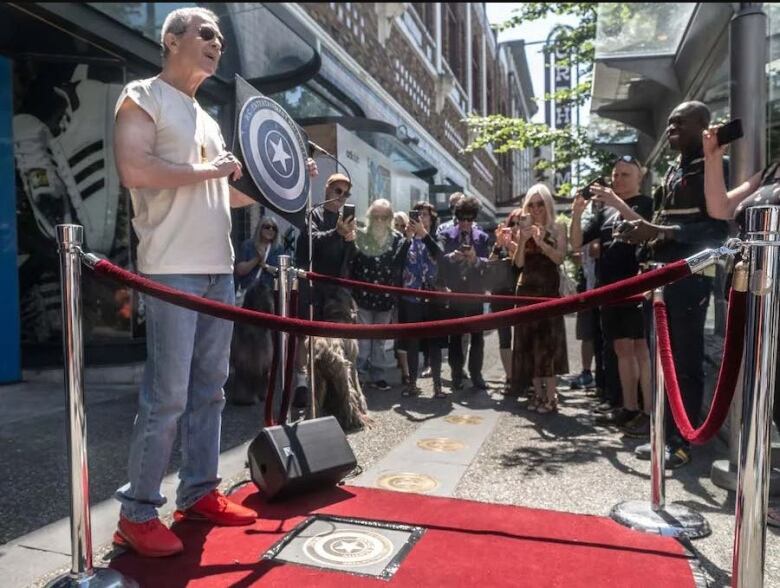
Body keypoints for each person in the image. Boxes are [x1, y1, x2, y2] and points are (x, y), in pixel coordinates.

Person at [112, 7, 318, 557]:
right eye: (206, 33)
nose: (217, 43)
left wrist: (289, 177)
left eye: (221, 37)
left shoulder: (206, 117)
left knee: (211, 391)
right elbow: (135, 169)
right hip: (170, 270)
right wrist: (209, 171)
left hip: (218, 270)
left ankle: (199, 492)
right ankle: (135, 514)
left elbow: (220, 195)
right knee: (168, 398)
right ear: (170, 39)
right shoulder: (142, 94)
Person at [618, 101, 729, 468]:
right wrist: (643, 237)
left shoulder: (714, 169)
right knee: (661, 360)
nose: (670, 129)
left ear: (703, 125)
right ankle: (663, 434)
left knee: (684, 362)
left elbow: (717, 230)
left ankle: (684, 441)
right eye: (668, 123)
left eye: (679, 123)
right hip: (661, 279)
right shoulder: (672, 172)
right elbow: (663, 224)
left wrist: (660, 231)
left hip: (690, 280)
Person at [701, 121, 780, 525]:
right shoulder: (769, 172)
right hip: (759, 294)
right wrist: (713, 157)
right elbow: (720, 208)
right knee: (771, 393)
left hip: (774, 291)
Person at [571, 157, 654, 437]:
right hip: (611, 290)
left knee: (642, 352)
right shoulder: (604, 214)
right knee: (621, 351)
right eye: (615, 174)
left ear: (639, 177)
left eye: (625, 174)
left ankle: (649, 414)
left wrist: (618, 203)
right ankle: (628, 407)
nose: (618, 179)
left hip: (639, 289)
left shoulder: (645, 203)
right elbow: (575, 243)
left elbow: (647, 230)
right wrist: (576, 212)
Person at [292, 172, 357, 405]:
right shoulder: (313, 214)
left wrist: (350, 242)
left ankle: (330, 383)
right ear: (327, 190)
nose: (341, 197)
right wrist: (336, 233)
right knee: (305, 335)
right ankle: (301, 382)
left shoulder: (345, 220)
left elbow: (350, 259)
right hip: (311, 284)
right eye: (338, 191)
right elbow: (310, 242)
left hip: (335, 287)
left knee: (334, 336)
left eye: (346, 193)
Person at [510, 184, 568, 412]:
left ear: (548, 204)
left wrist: (542, 241)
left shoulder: (558, 227)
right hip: (526, 292)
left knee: (548, 345)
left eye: (540, 203)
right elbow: (518, 264)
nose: (535, 209)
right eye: (531, 205)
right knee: (528, 344)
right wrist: (523, 240)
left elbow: (559, 258)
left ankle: (552, 396)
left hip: (548, 293)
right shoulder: (523, 229)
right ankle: (537, 394)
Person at [350, 199, 410, 390]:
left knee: (380, 341)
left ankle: (378, 375)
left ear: (390, 218)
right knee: (363, 340)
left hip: (386, 299)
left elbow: (400, 266)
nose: (379, 221)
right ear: (369, 217)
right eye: (375, 216)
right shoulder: (361, 236)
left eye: (384, 217)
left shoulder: (398, 239)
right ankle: (359, 374)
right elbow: (352, 265)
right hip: (363, 297)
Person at [438, 195, 491, 390]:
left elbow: (488, 264)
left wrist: (475, 259)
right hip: (455, 292)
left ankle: (476, 374)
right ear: (457, 217)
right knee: (455, 336)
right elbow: (439, 260)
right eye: (462, 218)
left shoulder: (482, 237)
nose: (466, 223)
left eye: (470, 219)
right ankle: (456, 373)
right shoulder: (446, 234)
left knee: (477, 335)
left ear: (474, 218)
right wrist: (453, 257)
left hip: (475, 293)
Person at [397, 201, 447, 397]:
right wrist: (408, 238)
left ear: (432, 218)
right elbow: (397, 262)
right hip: (411, 298)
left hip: (432, 297)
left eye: (425, 215)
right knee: (412, 343)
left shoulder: (436, 237)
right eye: (417, 214)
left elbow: (440, 255)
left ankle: (437, 386)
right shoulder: (406, 239)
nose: (421, 218)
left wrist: (424, 235)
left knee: (434, 342)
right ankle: (412, 384)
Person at [487, 208, 522, 392]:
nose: (515, 228)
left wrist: (512, 246)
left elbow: (523, 263)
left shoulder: (526, 243)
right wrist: (498, 245)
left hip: (522, 294)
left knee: (522, 336)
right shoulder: (500, 245)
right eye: (511, 224)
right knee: (504, 338)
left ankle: (524, 376)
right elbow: (489, 265)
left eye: (518, 223)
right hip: (500, 294)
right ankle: (510, 377)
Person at [234, 216, 284, 293]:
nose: (271, 230)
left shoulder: (278, 248)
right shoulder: (248, 245)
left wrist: (265, 266)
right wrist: (257, 259)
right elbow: (239, 271)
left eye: (274, 228)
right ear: (260, 228)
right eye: (267, 227)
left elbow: (281, 272)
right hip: (249, 291)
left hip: (269, 293)